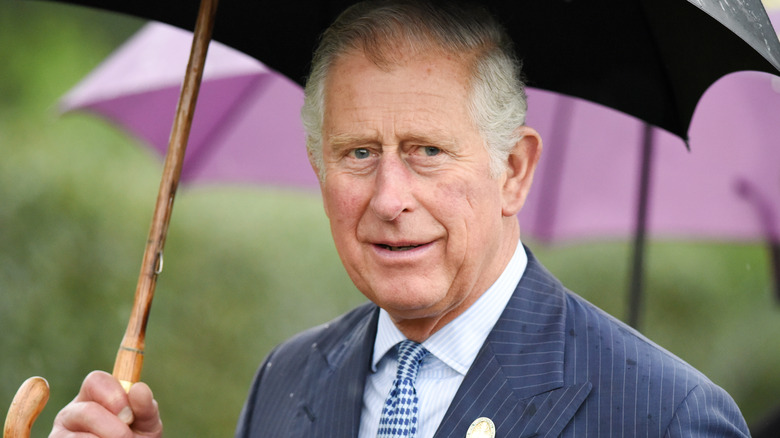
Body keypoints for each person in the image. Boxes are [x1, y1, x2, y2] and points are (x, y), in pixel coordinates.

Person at [50, 1, 751, 437]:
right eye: (358, 152)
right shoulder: (286, 379)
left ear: (514, 170)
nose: (390, 198)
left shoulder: (664, 416)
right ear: (317, 166)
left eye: (427, 151)